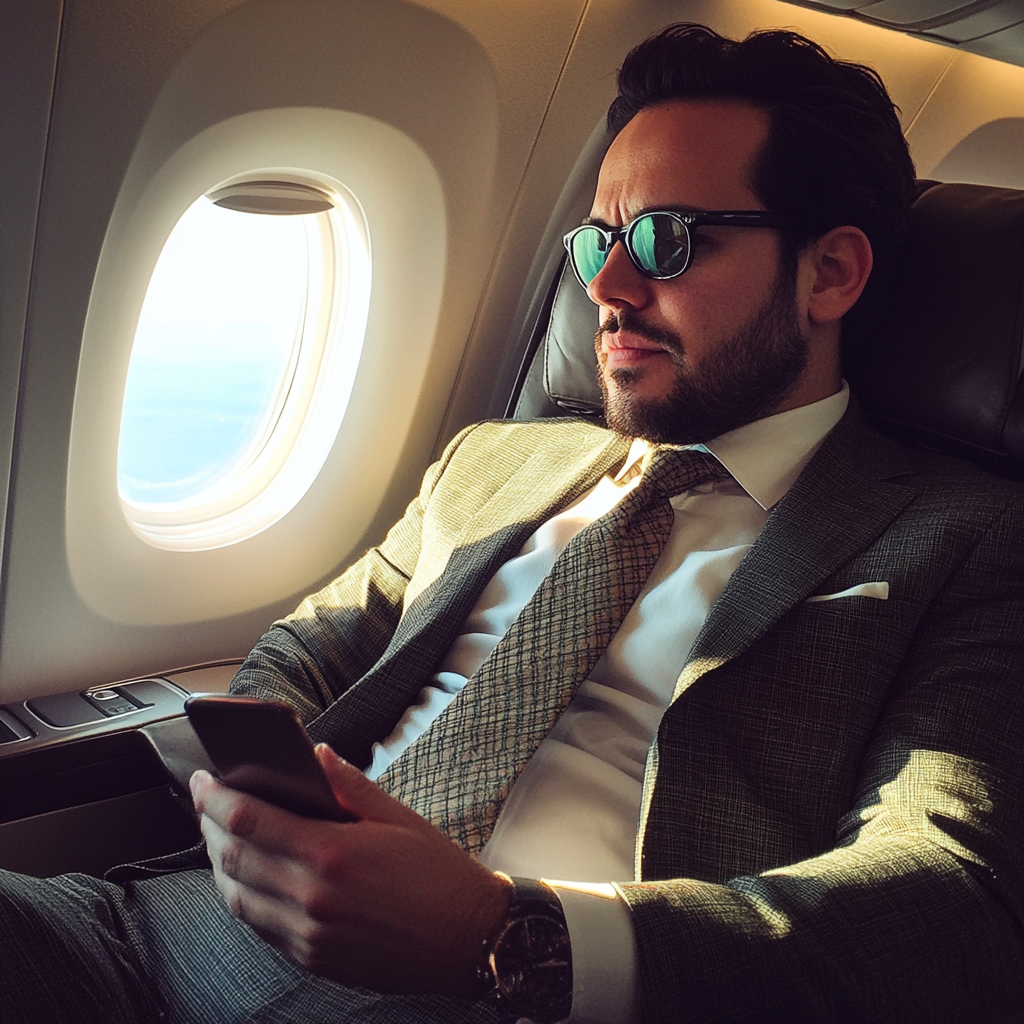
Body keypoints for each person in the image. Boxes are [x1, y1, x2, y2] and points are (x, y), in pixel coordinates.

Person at [3, 22, 1023, 1024]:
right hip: (160, 931)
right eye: (597, 240)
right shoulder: (495, 459)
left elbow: (944, 899)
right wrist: (280, 804)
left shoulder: (963, 539)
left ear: (830, 273)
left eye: (665, 240)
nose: (605, 290)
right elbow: (310, 645)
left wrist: (506, 936)